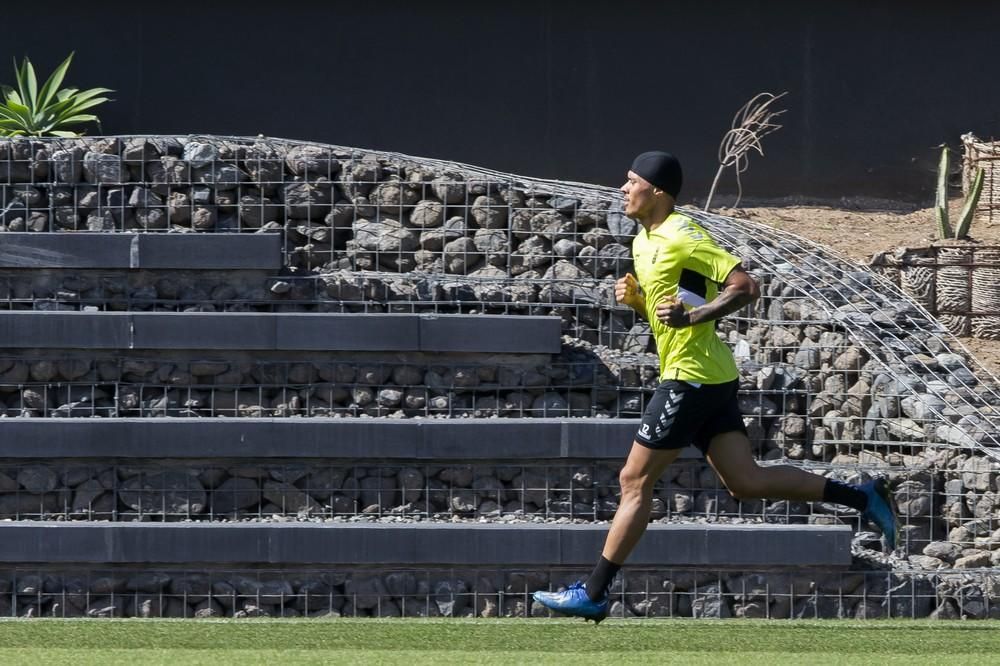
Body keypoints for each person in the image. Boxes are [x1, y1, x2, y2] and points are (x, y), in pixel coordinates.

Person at [532, 150, 898, 623]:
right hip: (711, 374)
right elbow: (673, 316)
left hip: (691, 378)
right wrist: (641, 303)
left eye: (630, 181)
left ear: (657, 192)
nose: (622, 189)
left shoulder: (684, 235)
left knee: (633, 480)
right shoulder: (644, 242)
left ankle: (594, 593)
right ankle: (863, 496)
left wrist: (696, 315)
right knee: (745, 482)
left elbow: (745, 287)